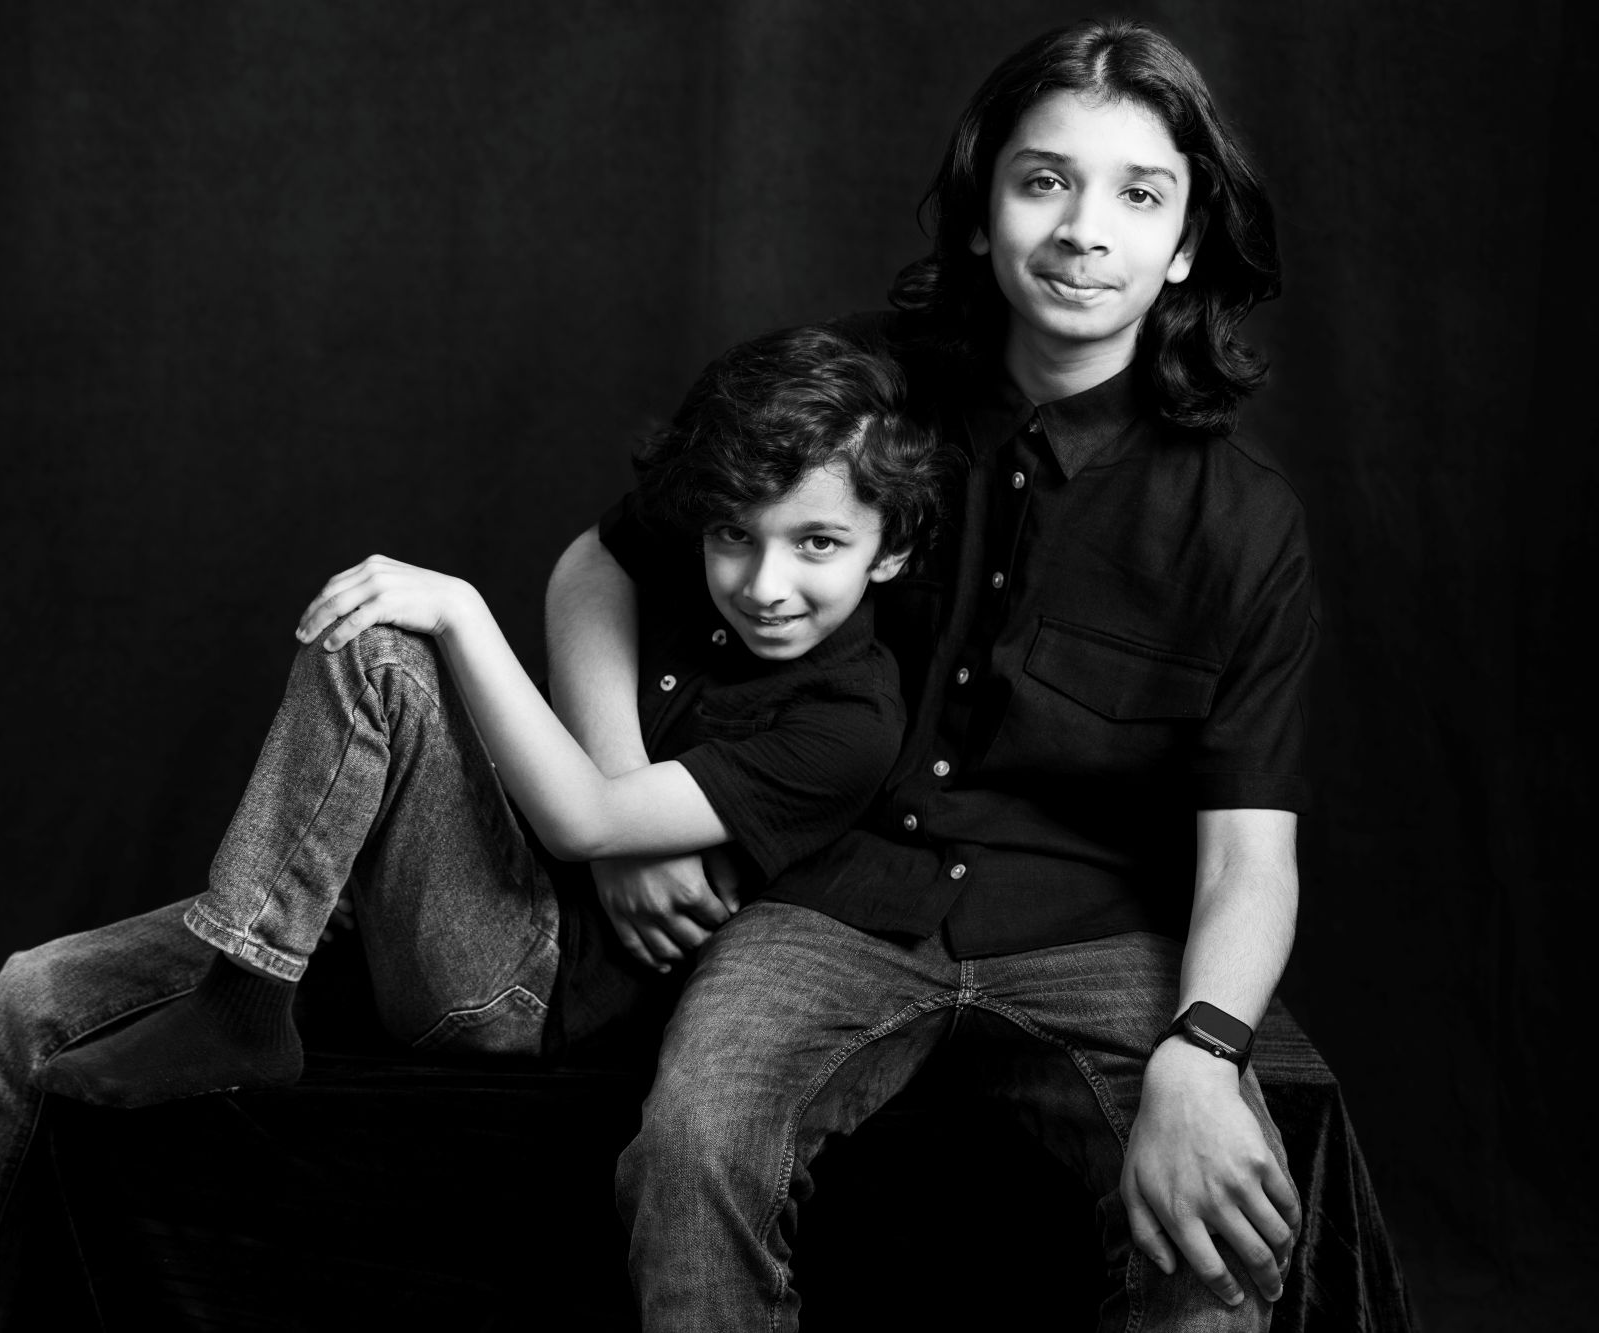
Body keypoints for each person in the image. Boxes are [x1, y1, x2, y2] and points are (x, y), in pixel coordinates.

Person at [0, 323, 946, 1331]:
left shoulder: (850, 719)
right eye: (732, 537)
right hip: (411, 902)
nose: (765, 583)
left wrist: (460, 609)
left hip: (517, 977)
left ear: (890, 551)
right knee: (34, 991)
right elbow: (595, 558)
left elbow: (583, 821)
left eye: (816, 544)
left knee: (387, 648)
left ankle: (246, 998)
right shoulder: (701, 557)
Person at [545, 19, 1314, 1332]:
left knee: (1215, 1224)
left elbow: (1248, 858)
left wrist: (1205, 1049)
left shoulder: (1243, 524)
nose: (1084, 227)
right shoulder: (858, 396)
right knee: (689, 1151)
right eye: (1043, 180)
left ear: (1185, 242)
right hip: (826, 903)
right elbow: (595, 569)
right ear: (981, 214)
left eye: (1139, 193)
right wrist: (625, 806)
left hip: (1096, 936)